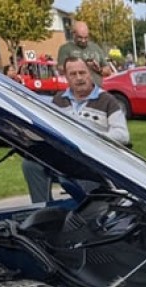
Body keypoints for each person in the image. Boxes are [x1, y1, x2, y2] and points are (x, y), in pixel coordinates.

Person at [22, 55, 130, 203]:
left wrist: (90, 137)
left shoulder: (107, 100)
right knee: (30, 164)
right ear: (66, 77)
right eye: (73, 74)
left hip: (94, 159)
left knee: (66, 174)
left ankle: (90, 209)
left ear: (89, 73)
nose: (79, 78)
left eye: (82, 72)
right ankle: (44, 210)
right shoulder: (58, 100)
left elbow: (122, 135)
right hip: (63, 156)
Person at [57, 20, 110, 87]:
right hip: (77, 91)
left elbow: (108, 71)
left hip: (97, 90)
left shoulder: (95, 47)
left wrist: (98, 69)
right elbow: (61, 70)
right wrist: (84, 65)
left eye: (86, 37)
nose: (83, 40)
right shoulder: (65, 48)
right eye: (80, 37)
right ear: (73, 34)